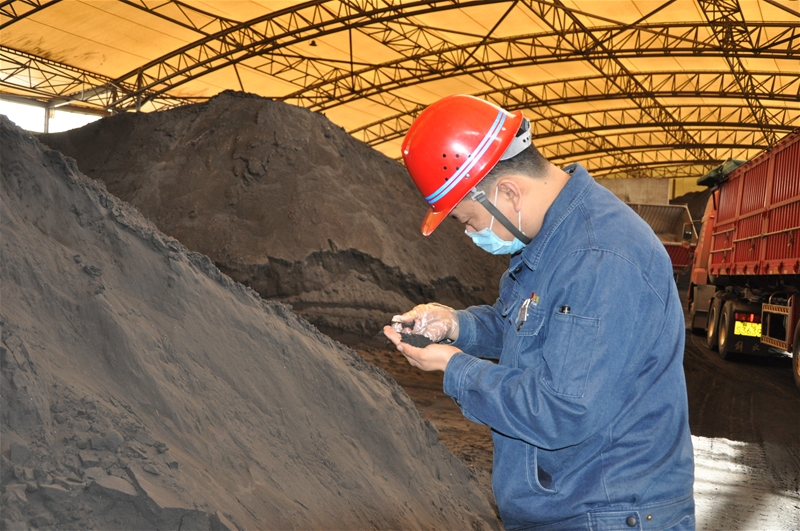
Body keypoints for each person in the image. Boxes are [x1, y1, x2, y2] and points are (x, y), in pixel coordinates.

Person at [383, 94, 695, 530]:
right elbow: (526, 326)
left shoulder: (598, 257)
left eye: (468, 221)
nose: (471, 235)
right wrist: (456, 325)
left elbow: (562, 409)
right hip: (574, 504)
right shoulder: (555, 240)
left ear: (508, 192)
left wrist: (455, 367)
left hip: (606, 512)